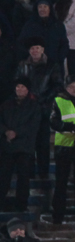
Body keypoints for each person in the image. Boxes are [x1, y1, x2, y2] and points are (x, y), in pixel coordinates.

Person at [0, 79, 43, 210]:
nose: (19, 89)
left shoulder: (34, 106)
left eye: (22, 87)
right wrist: (6, 131)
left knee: (23, 178)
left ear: (27, 89)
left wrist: (16, 133)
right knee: (3, 177)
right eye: (17, 87)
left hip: (25, 147)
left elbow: (33, 126)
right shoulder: (6, 104)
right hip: (7, 147)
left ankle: (21, 205)